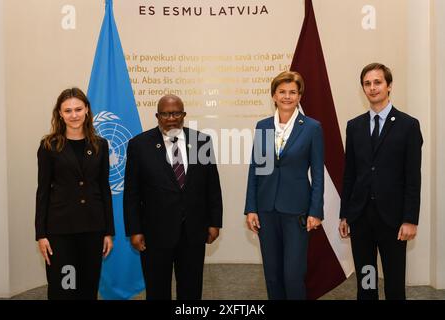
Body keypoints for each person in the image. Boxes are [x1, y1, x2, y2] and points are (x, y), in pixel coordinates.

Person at [123, 94, 223, 300]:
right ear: (157, 116)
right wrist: (134, 229)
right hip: (155, 234)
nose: (171, 118)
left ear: (184, 114)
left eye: (176, 113)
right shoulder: (139, 145)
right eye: (166, 114)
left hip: (193, 231)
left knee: (191, 289)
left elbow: (212, 186)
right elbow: (132, 193)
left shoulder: (201, 141)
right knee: (157, 290)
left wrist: (214, 222)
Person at [339, 63, 423, 300]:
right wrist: (345, 214)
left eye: (378, 82)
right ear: (363, 89)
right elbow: (350, 174)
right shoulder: (354, 126)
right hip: (361, 219)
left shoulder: (408, 125)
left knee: (395, 285)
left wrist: (410, 219)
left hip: (394, 221)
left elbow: (412, 178)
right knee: (366, 283)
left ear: (389, 86)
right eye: (367, 83)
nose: (372, 88)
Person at [244, 71, 324, 300]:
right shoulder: (263, 126)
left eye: (292, 92)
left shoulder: (311, 127)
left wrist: (315, 211)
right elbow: (255, 169)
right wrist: (251, 208)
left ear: (299, 96)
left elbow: (318, 173)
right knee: (272, 274)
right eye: (282, 92)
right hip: (266, 210)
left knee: (293, 274)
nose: (287, 96)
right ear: (274, 96)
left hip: (297, 211)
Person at [35, 87, 114, 300]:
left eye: (78, 109)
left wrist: (108, 231)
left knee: (88, 287)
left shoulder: (100, 145)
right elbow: (42, 192)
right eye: (68, 110)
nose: (74, 115)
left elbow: (104, 189)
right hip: (61, 232)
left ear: (87, 110)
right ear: (60, 113)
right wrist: (41, 234)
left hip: (93, 229)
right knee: (64, 287)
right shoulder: (48, 146)